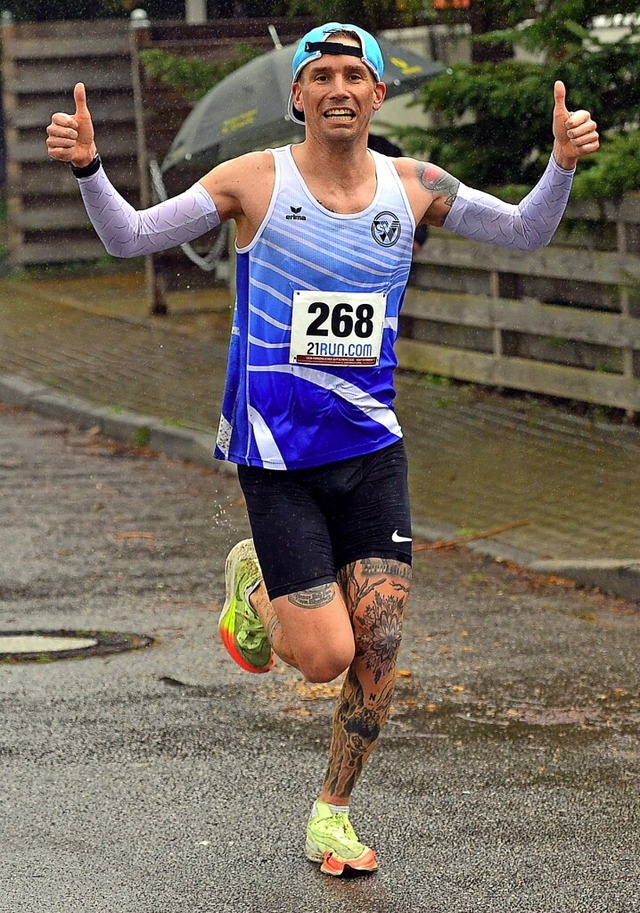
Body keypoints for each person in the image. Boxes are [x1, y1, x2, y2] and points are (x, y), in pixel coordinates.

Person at [46, 21, 599, 877]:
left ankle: (332, 811)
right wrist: (90, 168)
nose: (339, 87)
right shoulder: (250, 181)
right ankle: (256, 579)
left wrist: (560, 164)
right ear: (297, 96)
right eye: (322, 74)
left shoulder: (414, 186)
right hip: (277, 457)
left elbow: (525, 233)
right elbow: (131, 237)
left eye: (355, 74)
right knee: (324, 657)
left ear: (378, 95)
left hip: (373, 448)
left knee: (379, 635)